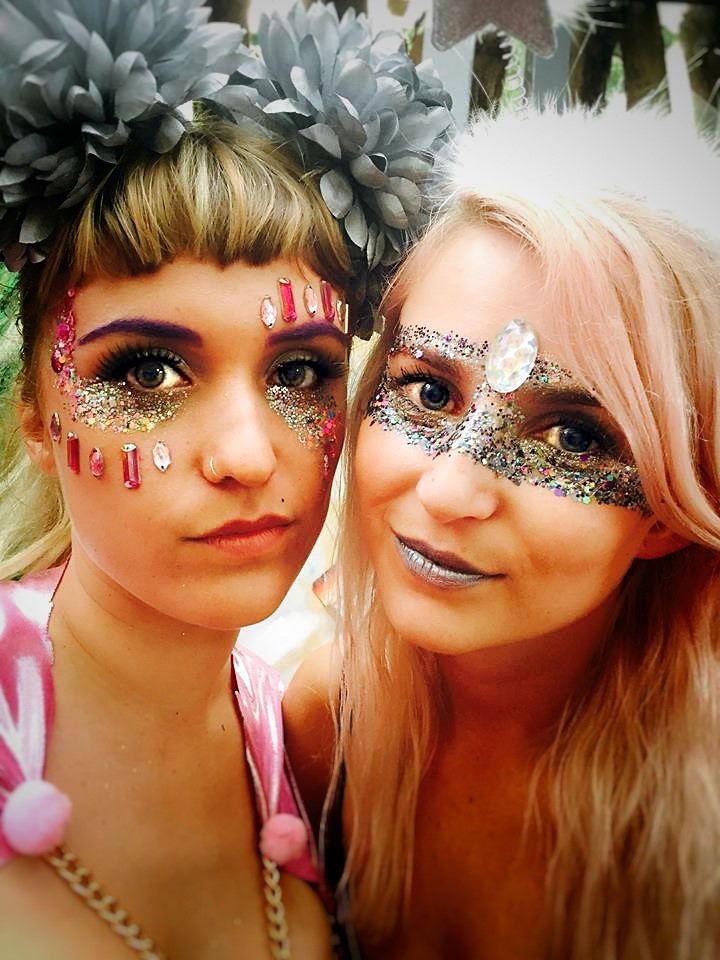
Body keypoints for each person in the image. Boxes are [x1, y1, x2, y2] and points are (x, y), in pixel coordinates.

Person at [0, 2, 453, 958]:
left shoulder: (294, 733)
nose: (249, 457)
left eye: (299, 374)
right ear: (38, 420)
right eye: (147, 373)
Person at [285, 106, 720, 960]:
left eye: (572, 437)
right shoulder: (326, 722)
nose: (448, 490)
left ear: (671, 513)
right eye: (428, 393)